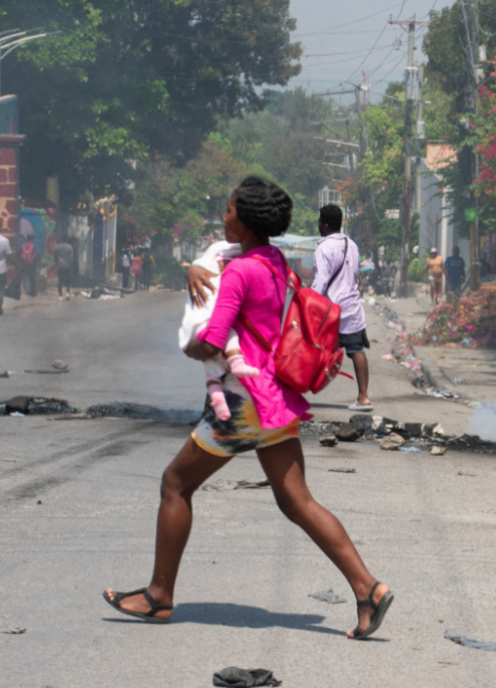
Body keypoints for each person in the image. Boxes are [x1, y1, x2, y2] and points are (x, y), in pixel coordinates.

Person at [104, 177, 393, 639]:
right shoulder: (273, 262)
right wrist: (191, 271)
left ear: (247, 218)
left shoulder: (240, 272)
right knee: (297, 500)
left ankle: (159, 596)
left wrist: (190, 344)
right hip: (273, 397)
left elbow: (215, 339)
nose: (223, 217)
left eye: (229, 210)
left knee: (175, 484)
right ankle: (368, 589)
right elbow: (215, 261)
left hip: (242, 404)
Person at [177, 240, 260, 421]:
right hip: (228, 333)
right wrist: (195, 270)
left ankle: (217, 415)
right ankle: (215, 413)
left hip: (246, 340)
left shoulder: (260, 257)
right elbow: (202, 267)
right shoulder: (221, 253)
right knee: (218, 368)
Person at [313, 204, 373, 412]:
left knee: (310, 347)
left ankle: (294, 392)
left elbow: (321, 281)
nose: (318, 224)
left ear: (325, 225)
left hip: (330, 310)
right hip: (352, 308)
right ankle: (363, 397)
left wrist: (310, 302)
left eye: (320, 221)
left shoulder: (323, 248)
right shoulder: (352, 245)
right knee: (357, 350)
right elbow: (355, 273)